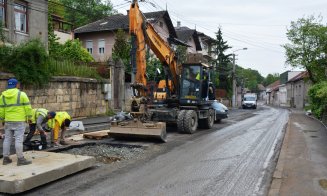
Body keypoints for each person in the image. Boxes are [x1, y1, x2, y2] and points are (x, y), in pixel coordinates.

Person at [0, 78, 32, 166]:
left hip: (8, 120)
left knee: (7, 139)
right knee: (18, 140)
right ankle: (21, 159)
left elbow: (1, 110)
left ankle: (6, 158)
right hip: (19, 121)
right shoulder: (21, 94)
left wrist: (2, 120)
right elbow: (28, 107)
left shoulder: (2, 96)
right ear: (17, 85)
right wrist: (30, 117)